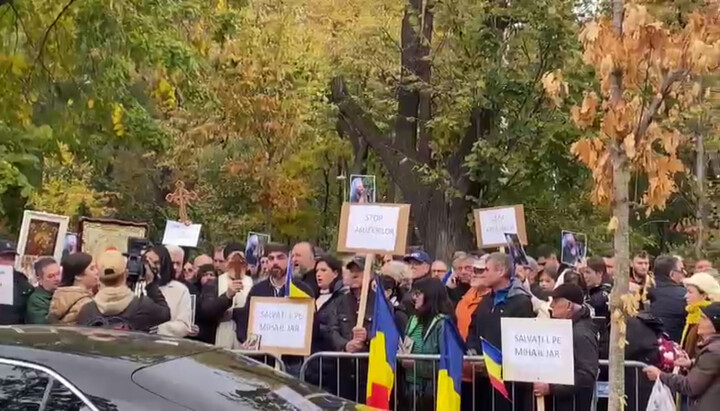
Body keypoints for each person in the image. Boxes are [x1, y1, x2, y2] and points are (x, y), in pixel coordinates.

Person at [467, 252, 534, 411]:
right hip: (483, 376)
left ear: (501, 271)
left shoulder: (521, 302)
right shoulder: (486, 300)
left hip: (507, 381)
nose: (483, 274)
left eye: (487, 269)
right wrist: (472, 351)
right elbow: (473, 327)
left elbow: (520, 340)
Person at [233, 243, 313, 376]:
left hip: (292, 362)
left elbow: (311, 326)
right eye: (271, 258)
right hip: (263, 361)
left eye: (280, 257)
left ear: (289, 260)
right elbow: (246, 320)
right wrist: (246, 339)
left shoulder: (303, 290)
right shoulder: (258, 290)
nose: (275, 262)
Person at [643, 301, 720, 411]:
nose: (699, 321)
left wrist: (661, 375)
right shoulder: (714, 349)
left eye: (703, 318)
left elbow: (690, 386)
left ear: (715, 325)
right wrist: (691, 364)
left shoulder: (713, 351)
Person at [535, 284, 598, 411]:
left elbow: (586, 375)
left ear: (569, 306)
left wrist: (552, 388)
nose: (551, 306)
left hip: (572, 403)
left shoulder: (580, 333)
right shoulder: (568, 328)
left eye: (556, 301)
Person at [76, 249, 171, 331]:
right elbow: (165, 314)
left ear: (99, 277)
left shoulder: (87, 310)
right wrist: (151, 283)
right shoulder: (143, 306)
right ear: (126, 274)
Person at [402, 277, 454, 410]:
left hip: (432, 391)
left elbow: (447, 363)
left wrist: (416, 365)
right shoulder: (413, 319)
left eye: (418, 294)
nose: (414, 297)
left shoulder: (443, 324)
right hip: (410, 389)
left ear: (430, 296)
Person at [306, 255, 345, 393]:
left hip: (329, 364)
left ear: (335, 273)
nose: (319, 275)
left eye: (323, 270)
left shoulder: (341, 299)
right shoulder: (313, 296)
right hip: (312, 364)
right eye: (317, 271)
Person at [215, 244, 254, 348]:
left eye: (241, 261)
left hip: (244, 333)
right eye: (233, 260)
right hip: (223, 328)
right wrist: (227, 295)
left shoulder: (251, 282)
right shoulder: (217, 282)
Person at [149, 245, 193, 338]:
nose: (152, 266)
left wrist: (160, 329)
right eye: (149, 262)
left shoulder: (180, 290)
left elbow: (184, 325)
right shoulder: (135, 284)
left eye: (157, 262)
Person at [48, 252, 98, 325]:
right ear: (78, 276)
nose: (97, 272)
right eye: (92, 269)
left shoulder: (60, 295)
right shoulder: (84, 304)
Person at [649, 255, 688, 343]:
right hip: (673, 349)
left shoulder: (642, 292)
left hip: (646, 348)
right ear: (672, 274)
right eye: (681, 270)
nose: (685, 273)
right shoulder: (685, 296)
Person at [681, 273, 720, 359]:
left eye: (690, 292)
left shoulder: (708, 322)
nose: (685, 296)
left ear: (704, 295)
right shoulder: (692, 315)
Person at [0, 238, 33, 325]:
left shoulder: (21, 279)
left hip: (12, 332)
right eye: (4, 258)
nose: (8, 262)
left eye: (11, 258)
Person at [25, 257, 61, 324]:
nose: (57, 279)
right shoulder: (36, 300)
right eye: (51, 276)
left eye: (58, 274)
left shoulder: (64, 292)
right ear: (40, 279)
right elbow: (43, 325)